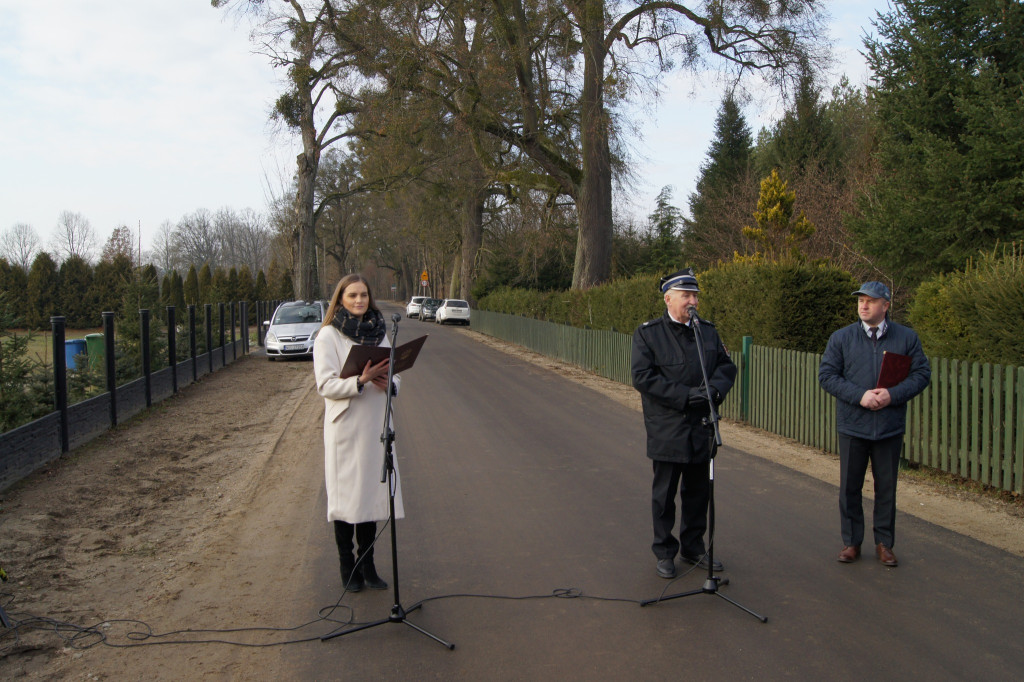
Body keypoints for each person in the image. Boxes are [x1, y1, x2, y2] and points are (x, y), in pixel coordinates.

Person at [631, 268, 737, 579]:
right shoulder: (648, 334)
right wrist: (685, 396)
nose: (693, 302)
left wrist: (714, 391)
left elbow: (725, 367)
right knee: (664, 496)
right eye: (686, 296)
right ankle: (664, 552)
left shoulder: (707, 331)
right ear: (668, 298)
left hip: (701, 426)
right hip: (667, 427)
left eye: (695, 296)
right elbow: (643, 377)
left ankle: (694, 547)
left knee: (698, 493)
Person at [819, 281, 930, 567]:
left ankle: (884, 543)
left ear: (886, 305)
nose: (863, 305)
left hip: (889, 426)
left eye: (870, 300)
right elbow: (827, 376)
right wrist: (860, 396)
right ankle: (852, 542)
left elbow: (921, 375)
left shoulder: (907, 338)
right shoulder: (841, 338)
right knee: (849, 488)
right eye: (860, 301)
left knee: (886, 488)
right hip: (853, 425)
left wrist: (893, 395)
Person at [313, 274, 400, 592]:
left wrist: (387, 382)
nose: (359, 300)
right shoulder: (327, 336)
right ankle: (347, 568)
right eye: (352, 295)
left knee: (368, 496)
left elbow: (395, 372)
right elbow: (325, 384)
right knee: (347, 499)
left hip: (376, 425)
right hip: (347, 428)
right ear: (340, 299)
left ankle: (368, 566)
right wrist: (360, 382)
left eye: (364, 294)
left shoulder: (380, 331)